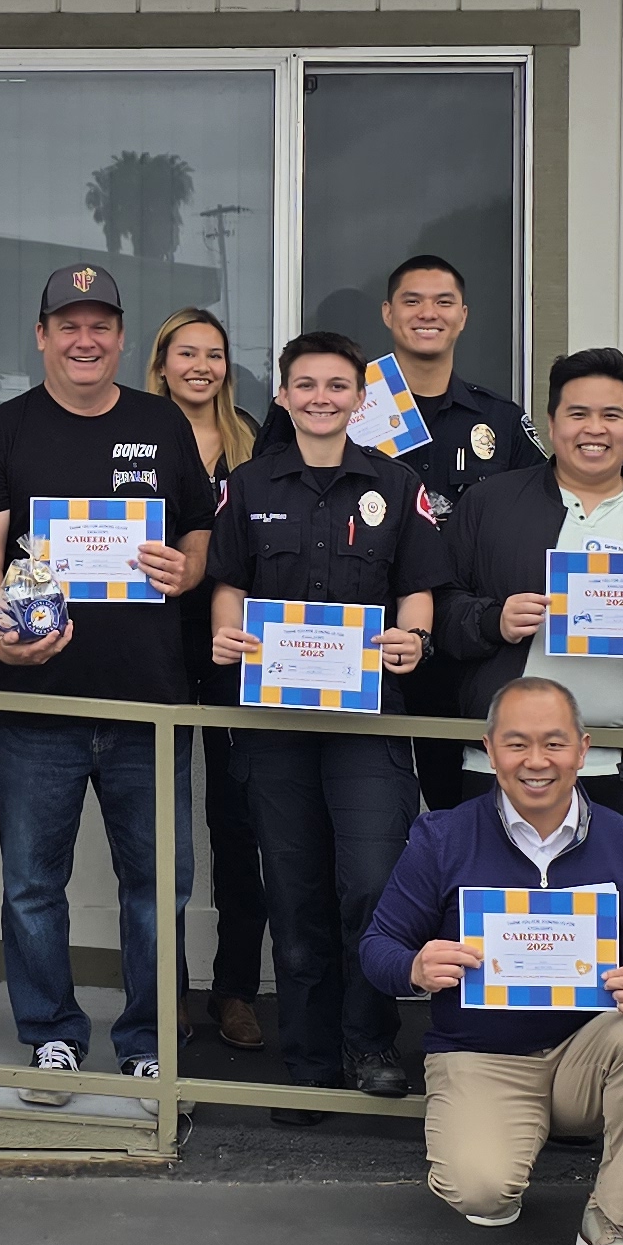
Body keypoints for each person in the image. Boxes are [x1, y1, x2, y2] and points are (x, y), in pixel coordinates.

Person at [0, 261, 220, 1103]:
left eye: (100, 323)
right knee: (34, 885)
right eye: (68, 324)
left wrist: (184, 571)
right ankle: (52, 1036)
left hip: (149, 703)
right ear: (41, 336)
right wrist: (4, 634)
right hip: (40, 703)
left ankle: (146, 1040)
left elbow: (201, 535)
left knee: (156, 888)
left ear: (121, 336)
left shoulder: (164, 426)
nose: (84, 338)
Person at [360, 677, 623, 1245]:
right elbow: (376, 948)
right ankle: (505, 1151)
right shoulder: (442, 837)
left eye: (554, 743)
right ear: (489, 751)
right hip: (480, 1056)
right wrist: (412, 967)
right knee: (480, 1193)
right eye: (517, 745)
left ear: (583, 749)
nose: (536, 762)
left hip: (588, 1056)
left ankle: (611, 1221)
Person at [210, 330, 447, 1122]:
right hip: (275, 725)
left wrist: (414, 636)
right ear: (283, 396)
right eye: (304, 385)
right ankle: (309, 1061)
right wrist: (224, 630)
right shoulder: (247, 486)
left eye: (336, 385)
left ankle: (371, 1044)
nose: (320, 397)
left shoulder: (395, 482)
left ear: (358, 398)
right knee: (296, 892)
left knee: (373, 886)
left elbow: (420, 588)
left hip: (369, 722)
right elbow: (229, 584)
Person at [261, 257, 543, 812]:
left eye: (443, 302)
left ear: (463, 315)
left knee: (457, 809)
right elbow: (269, 488)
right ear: (388, 313)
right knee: (348, 816)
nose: (427, 314)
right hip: (353, 641)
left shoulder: (501, 420)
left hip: (464, 643)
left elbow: (556, 496)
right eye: (412, 301)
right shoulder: (337, 401)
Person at [438, 348, 623, 831]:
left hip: (621, 765)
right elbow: (439, 612)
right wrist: (494, 621)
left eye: (612, 415)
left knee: (610, 905)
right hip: (498, 763)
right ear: (552, 423)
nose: (595, 429)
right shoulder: (490, 504)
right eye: (578, 414)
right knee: (498, 904)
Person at [151, 307, 271, 1056]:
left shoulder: (255, 437)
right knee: (159, 835)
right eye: (186, 353)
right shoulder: (131, 432)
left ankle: (235, 989)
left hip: (240, 652)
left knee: (239, 829)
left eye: (215, 354)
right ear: (161, 363)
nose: (201, 366)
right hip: (157, 644)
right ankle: (169, 989)